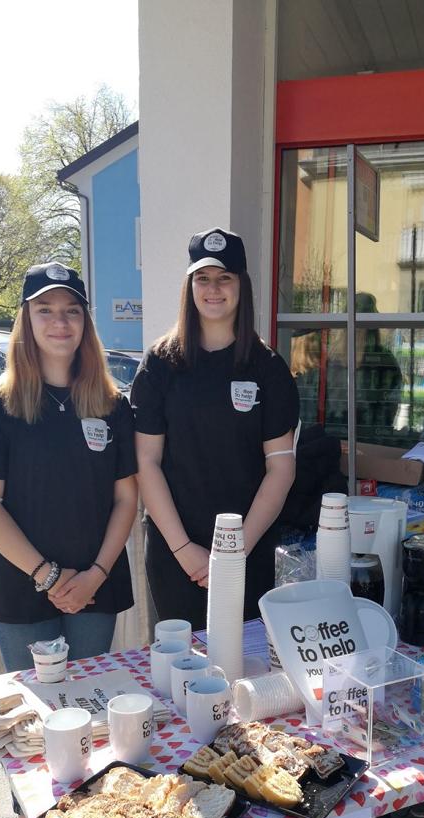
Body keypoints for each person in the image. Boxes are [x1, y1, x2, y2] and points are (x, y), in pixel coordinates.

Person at [0, 261, 138, 818]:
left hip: (95, 586)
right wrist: (45, 572)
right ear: (26, 323)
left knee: (85, 715)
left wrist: (92, 573)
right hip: (22, 588)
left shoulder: (114, 407)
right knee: (31, 724)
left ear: (86, 321)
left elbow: (126, 500)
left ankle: (84, 817)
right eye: (45, 311)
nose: (59, 322)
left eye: (71, 310)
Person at [131, 227, 299, 629]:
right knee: (181, 675)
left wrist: (234, 552)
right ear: (189, 286)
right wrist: (185, 548)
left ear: (242, 285)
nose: (213, 289)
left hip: (247, 552)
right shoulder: (159, 364)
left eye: (225, 278)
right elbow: (146, 462)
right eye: (203, 279)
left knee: (245, 669)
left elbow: (280, 468)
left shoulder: (268, 368)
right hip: (176, 554)